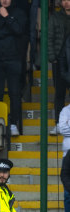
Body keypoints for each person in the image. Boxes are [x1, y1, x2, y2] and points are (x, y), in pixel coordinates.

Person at [0, 0, 27, 136]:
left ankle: (14, 124)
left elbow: (19, 30)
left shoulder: (19, 13)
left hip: (14, 58)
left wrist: (7, 17)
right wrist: (8, 30)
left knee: (14, 93)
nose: (4, 0)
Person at [49, 0, 70, 135]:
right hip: (59, 60)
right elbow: (49, 37)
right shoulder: (55, 17)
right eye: (64, 0)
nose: (66, 2)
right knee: (59, 93)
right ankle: (58, 123)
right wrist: (53, 58)